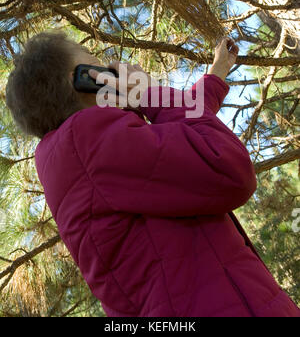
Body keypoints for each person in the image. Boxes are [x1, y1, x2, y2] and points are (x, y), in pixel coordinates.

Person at [5, 31, 300, 317]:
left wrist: (215, 74)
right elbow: (226, 166)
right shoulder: (87, 139)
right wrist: (148, 92)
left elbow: (178, 139)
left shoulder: (79, 155)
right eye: (102, 65)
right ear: (84, 80)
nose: (115, 70)